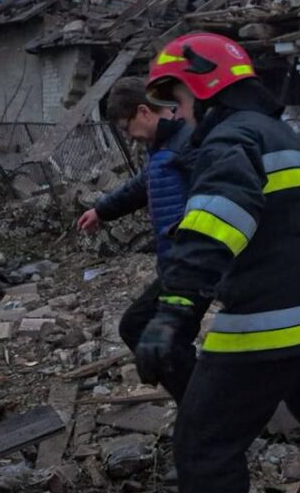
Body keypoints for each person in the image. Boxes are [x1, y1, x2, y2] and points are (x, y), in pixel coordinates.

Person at [136, 32, 300, 493]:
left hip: (264, 325)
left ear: (202, 86)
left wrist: (174, 311)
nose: (177, 114)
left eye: (177, 99)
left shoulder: (229, 140)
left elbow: (215, 228)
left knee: (204, 446)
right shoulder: (285, 137)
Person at [75, 77, 205, 403]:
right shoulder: (162, 148)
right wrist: (101, 211)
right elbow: (140, 186)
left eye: (125, 126)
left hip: (194, 264)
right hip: (177, 264)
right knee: (157, 336)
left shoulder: (187, 143)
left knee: (139, 327)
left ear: (144, 112)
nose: (128, 136)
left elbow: (220, 189)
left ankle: (202, 410)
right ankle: (202, 407)